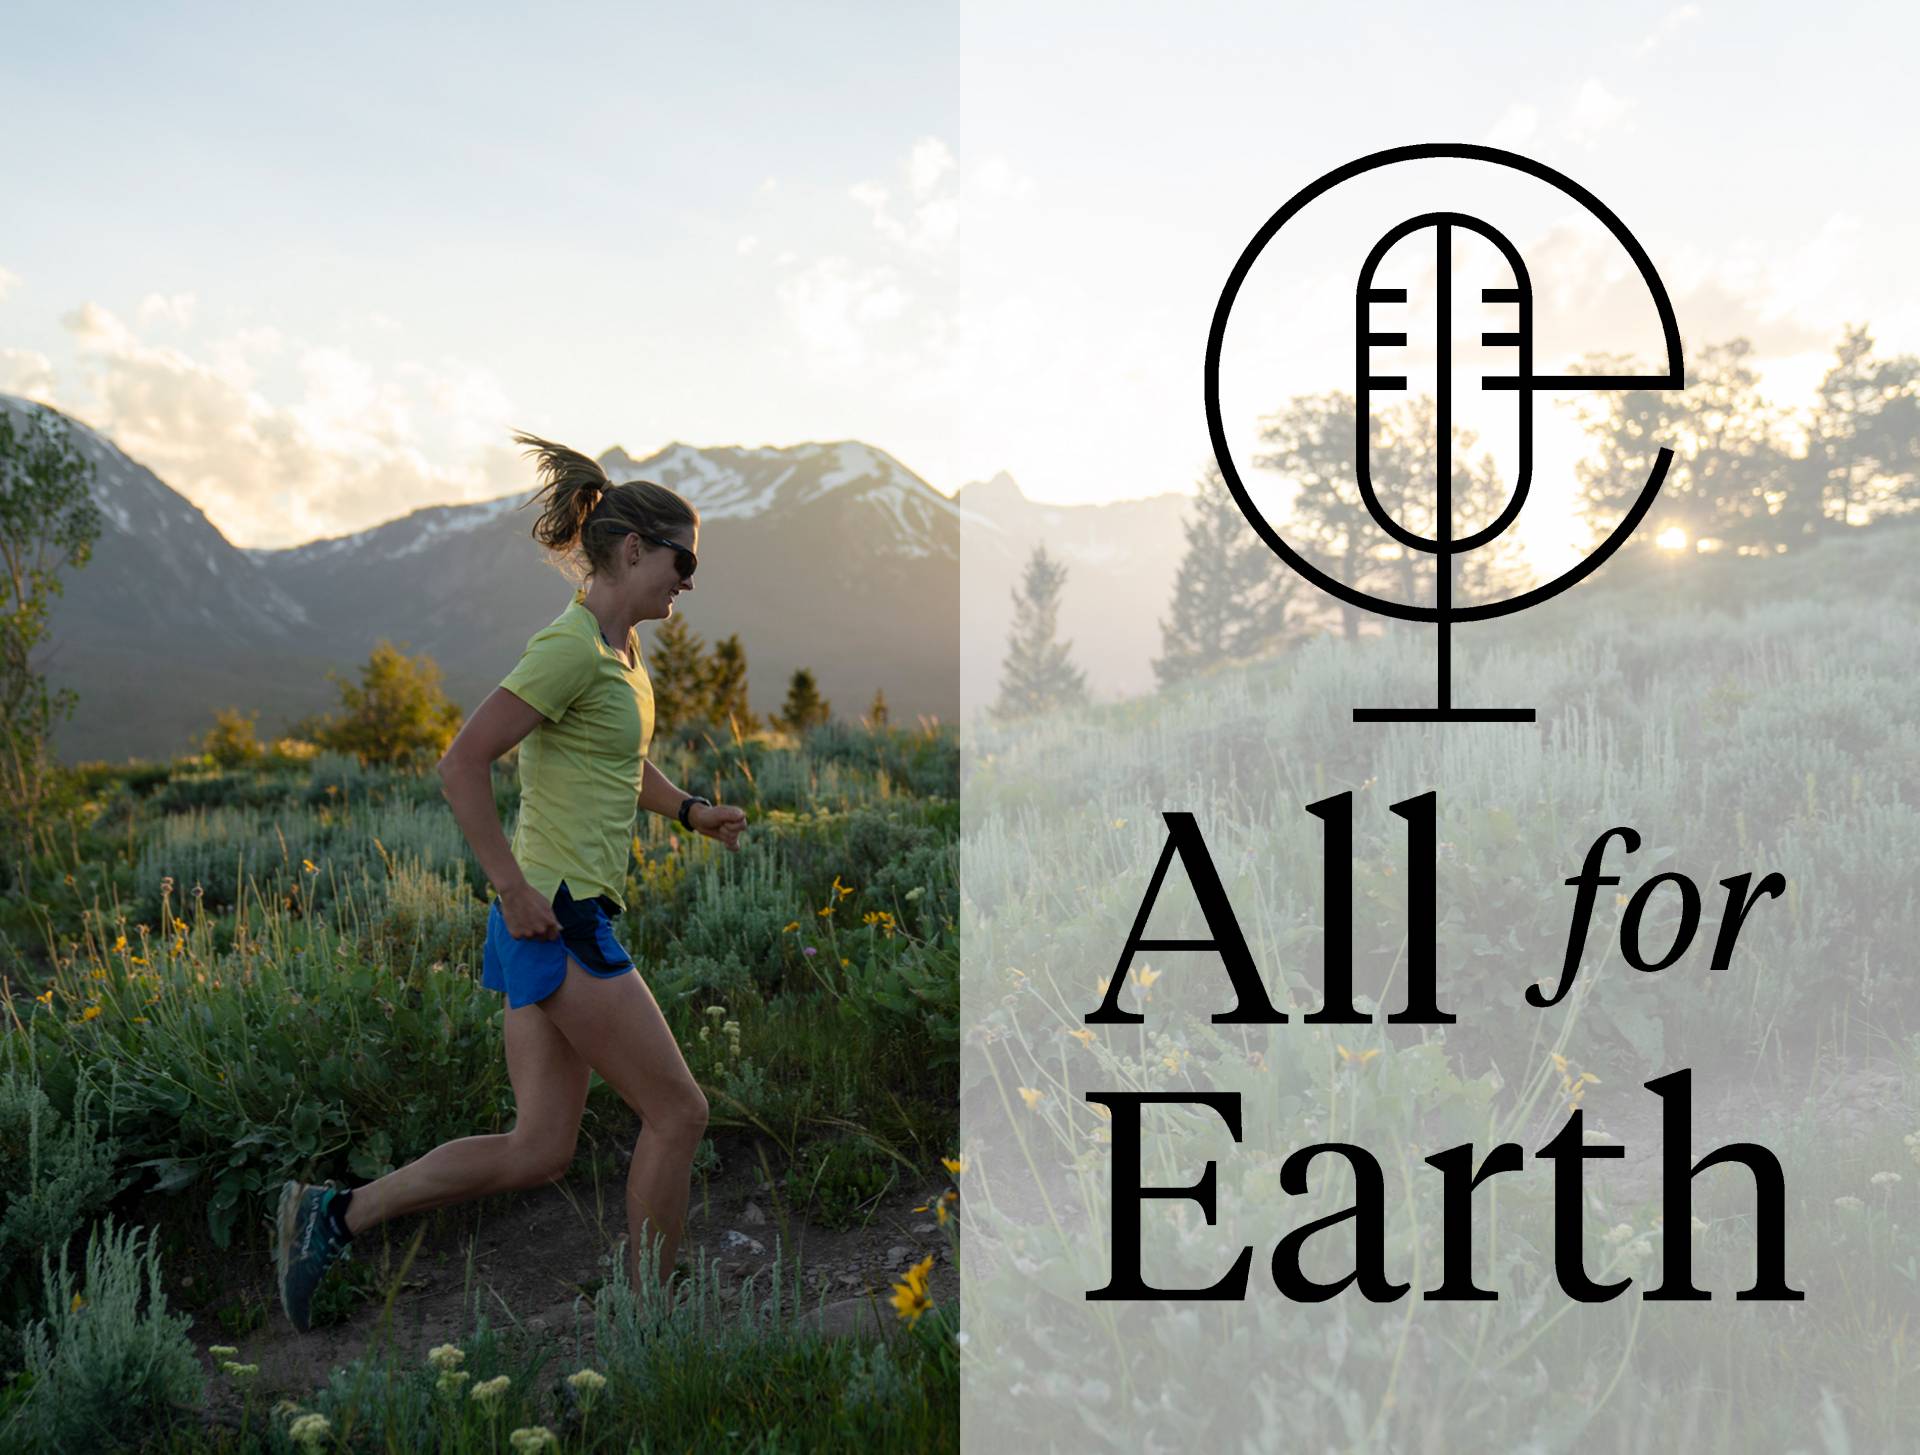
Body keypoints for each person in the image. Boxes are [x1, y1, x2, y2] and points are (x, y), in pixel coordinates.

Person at [275, 432, 748, 1333]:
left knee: (537, 1148)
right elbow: (463, 763)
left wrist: (689, 810)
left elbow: (620, 763)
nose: (690, 577)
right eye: (683, 559)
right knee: (679, 1112)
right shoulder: (569, 647)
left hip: (550, 914)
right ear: (634, 550)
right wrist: (514, 890)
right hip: (557, 917)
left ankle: (333, 1215)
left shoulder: (621, 656)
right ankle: (649, 1324)